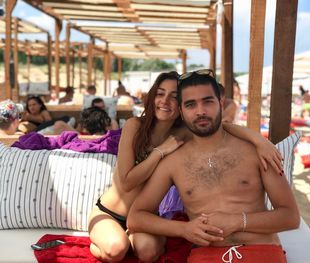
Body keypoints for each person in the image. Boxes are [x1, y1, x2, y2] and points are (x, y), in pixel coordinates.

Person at [88, 70, 283, 262]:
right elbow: (127, 182)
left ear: (181, 106)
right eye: (160, 93)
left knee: (148, 253)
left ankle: (131, 238)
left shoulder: (183, 133)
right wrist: (160, 152)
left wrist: (260, 141)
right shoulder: (135, 126)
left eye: (173, 96)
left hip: (142, 217)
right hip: (112, 212)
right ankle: (102, 242)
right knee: (115, 250)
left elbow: (223, 127)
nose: (164, 101)